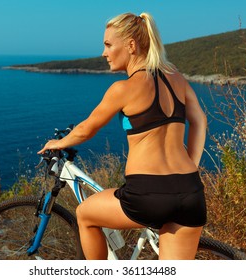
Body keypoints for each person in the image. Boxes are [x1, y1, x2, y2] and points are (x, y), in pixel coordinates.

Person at [38, 12, 207, 260]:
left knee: (85, 214)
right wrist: (191, 164)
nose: (103, 53)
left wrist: (58, 143)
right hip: (190, 190)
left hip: (148, 194)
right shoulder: (176, 78)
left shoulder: (123, 89)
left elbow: (87, 129)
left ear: (131, 45)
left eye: (108, 44)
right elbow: (200, 120)